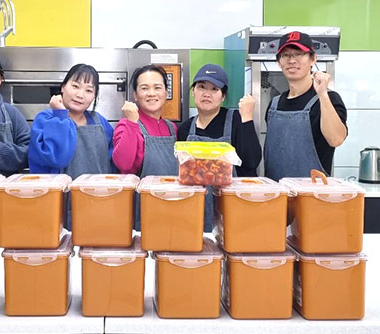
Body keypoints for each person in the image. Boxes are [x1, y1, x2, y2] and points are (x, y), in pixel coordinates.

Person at [177, 63, 262, 231]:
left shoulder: (238, 120)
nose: (207, 94)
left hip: (234, 206)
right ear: (193, 91)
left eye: (214, 89)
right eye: (201, 87)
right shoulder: (185, 129)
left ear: (223, 96)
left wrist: (247, 118)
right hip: (196, 208)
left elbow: (252, 161)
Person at [264, 31, 347, 181]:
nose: (292, 60)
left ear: (313, 59)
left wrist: (322, 94)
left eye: (299, 54)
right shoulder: (274, 105)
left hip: (312, 197)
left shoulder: (329, 98)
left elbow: (336, 139)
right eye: (286, 55)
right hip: (276, 196)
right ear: (279, 62)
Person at [28, 63, 114, 179]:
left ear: (94, 96)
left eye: (88, 91)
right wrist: (60, 115)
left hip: (96, 193)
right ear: (63, 87)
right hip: (57, 195)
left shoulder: (100, 122)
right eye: (75, 86)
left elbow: (114, 164)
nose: (80, 95)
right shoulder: (45, 119)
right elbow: (58, 159)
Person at [112, 65, 178, 177]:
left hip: (171, 193)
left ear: (166, 94)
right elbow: (123, 164)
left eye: (157, 87)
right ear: (135, 95)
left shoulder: (172, 127)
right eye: (144, 88)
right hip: (141, 194)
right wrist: (132, 123)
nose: (151, 93)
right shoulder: (126, 124)